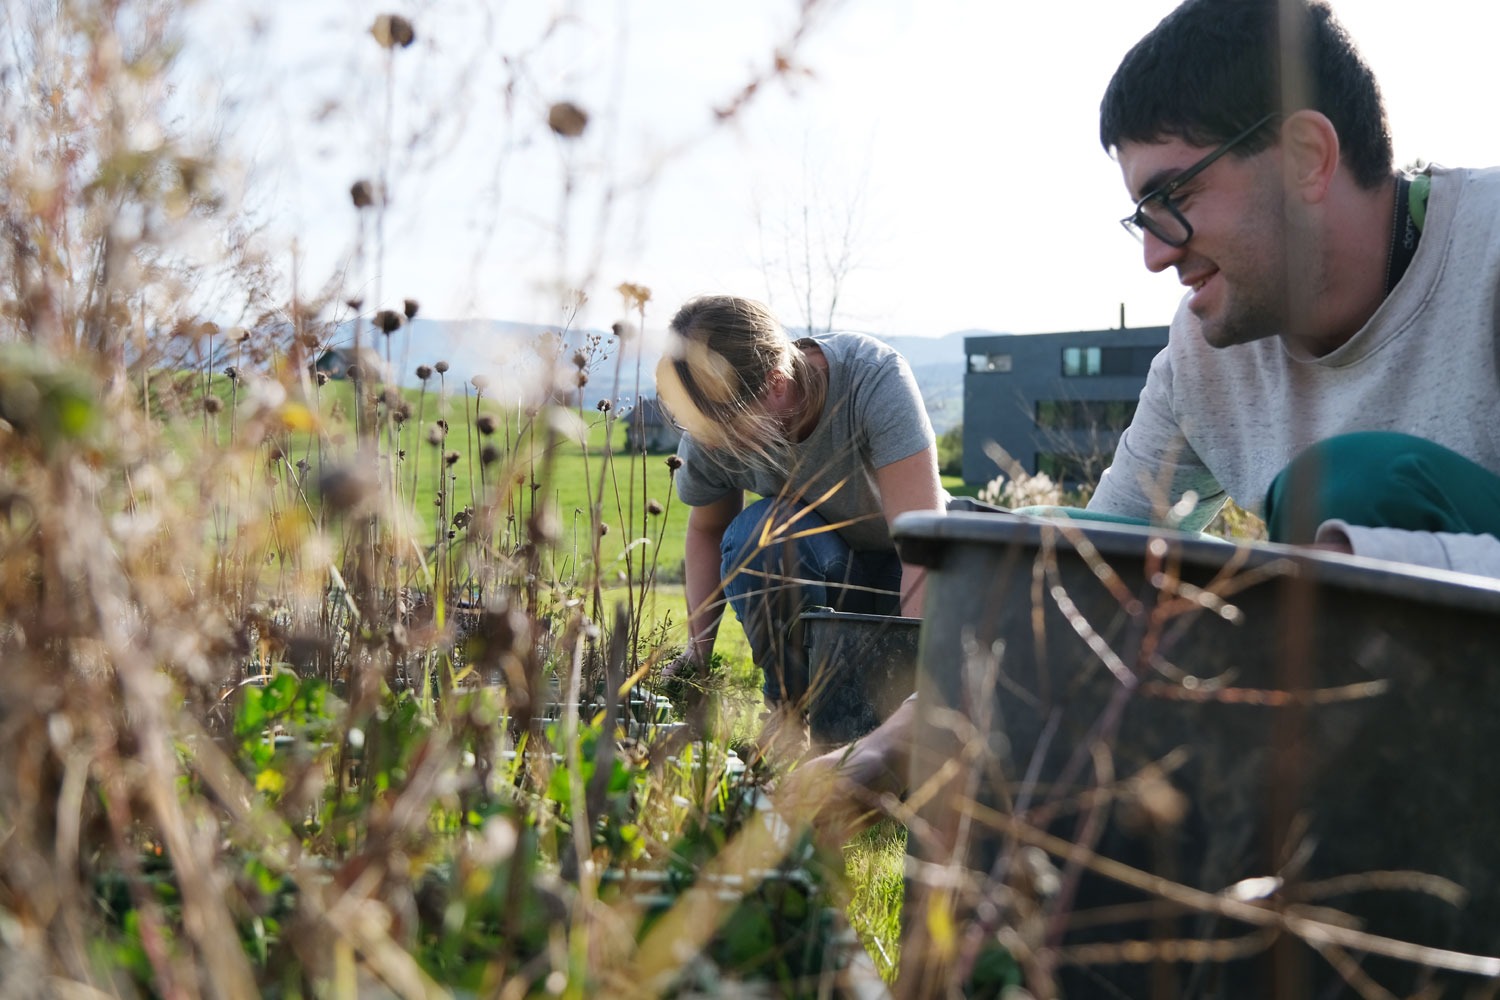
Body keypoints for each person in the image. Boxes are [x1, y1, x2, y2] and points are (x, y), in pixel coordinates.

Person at [786, 0, 1500, 835]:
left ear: (1308, 155)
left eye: (1172, 196)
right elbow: (1090, 566)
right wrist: (896, 743)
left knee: (1350, 486)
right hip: (1345, 758)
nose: (1157, 252)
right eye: (1141, 215)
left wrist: (1366, 565)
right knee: (1039, 554)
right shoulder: (1205, 350)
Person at [655, 294, 944, 718]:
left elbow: (922, 547)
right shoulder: (711, 427)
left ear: (775, 384)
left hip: (912, 581)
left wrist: (915, 690)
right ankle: (789, 713)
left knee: (876, 724)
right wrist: (697, 652)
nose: (714, 443)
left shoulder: (872, 379)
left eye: (729, 428)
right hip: (824, 586)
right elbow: (708, 530)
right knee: (760, 538)